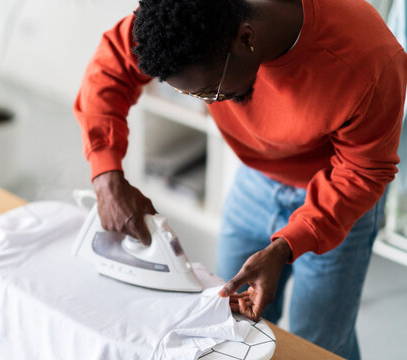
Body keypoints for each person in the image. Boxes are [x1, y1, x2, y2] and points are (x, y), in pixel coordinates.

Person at [73, 0, 407, 358]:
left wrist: (286, 246)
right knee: (231, 323)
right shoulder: (190, 17)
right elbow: (111, 66)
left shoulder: (367, 60)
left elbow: (362, 170)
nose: (204, 101)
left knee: (319, 341)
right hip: (254, 180)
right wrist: (107, 175)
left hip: (337, 197)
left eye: (207, 92)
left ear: (245, 39)